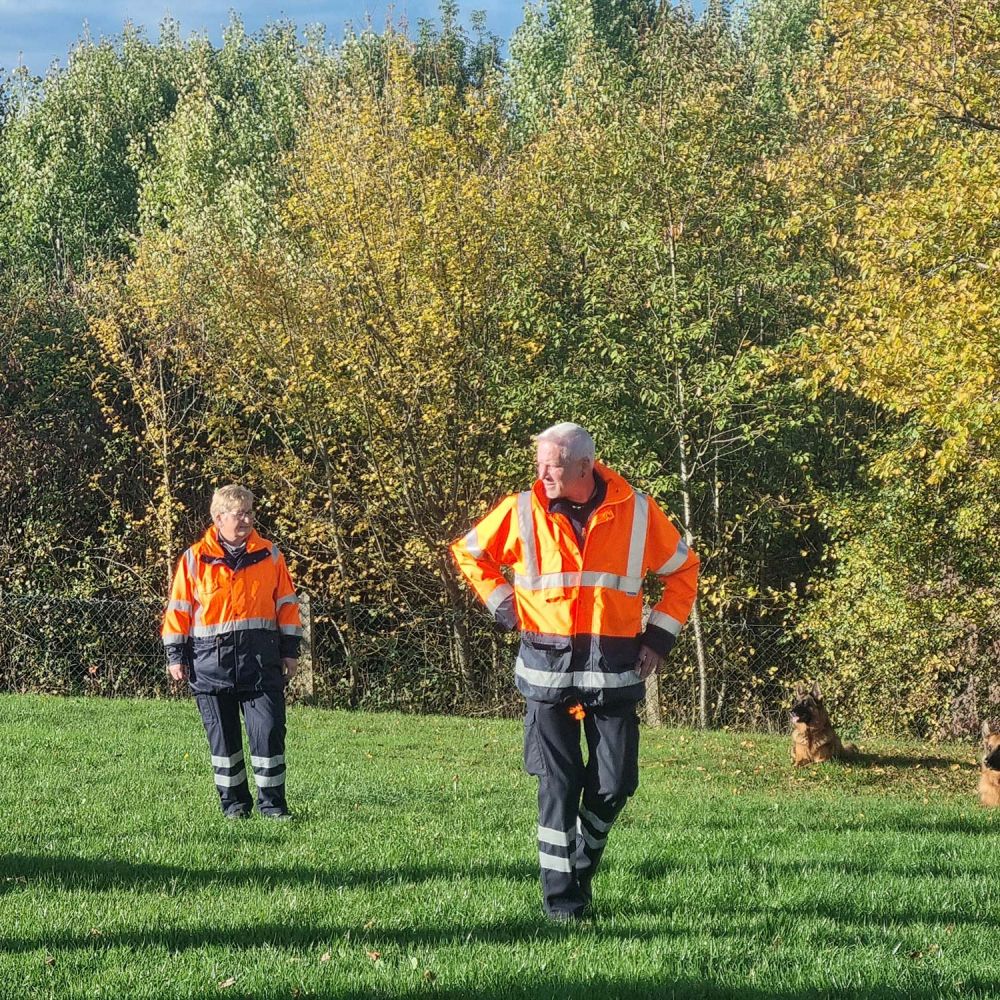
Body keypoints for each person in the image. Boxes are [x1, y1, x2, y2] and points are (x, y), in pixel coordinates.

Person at [451, 423, 699, 920]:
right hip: (546, 673)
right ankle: (562, 901)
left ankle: (580, 866)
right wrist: (504, 605)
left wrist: (657, 639)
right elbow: (469, 552)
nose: (543, 474)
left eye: (554, 465)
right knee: (557, 788)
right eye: (539, 464)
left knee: (615, 785)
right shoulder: (522, 509)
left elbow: (683, 571)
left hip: (614, 672)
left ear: (585, 465)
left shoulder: (638, 511)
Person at [161, 485, 303, 819]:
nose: (246, 519)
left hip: (260, 664)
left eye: (249, 513)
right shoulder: (194, 558)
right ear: (218, 517)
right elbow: (178, 609)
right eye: (239, 513)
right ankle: (235, 807)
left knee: (268, 734)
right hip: (209, 666)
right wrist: (175, 656)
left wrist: (290, 650)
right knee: (224, 744)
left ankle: (274, 807)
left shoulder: (270, 555)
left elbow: (286, 605)